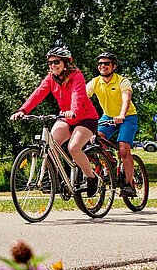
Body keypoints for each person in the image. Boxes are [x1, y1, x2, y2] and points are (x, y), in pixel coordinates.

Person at [10, 45, 101, 195]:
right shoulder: (50, 79)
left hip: (85, 118)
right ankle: (56, 180)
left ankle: (91, 178)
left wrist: (73, 111)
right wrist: (23, 110)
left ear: (66, 62)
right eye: (50, 63)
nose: (53, 65)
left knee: (73, 148)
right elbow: (38, 94)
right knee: (51, 145)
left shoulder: (76, 76)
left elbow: (76, 95)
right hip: (65, 117)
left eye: (57, 62)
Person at [86, 52, 138, 196]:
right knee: (96, 138)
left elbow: (126, 99)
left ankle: (129, 185)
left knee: (123, 149)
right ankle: (110, 162)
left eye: (106, 64)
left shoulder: (122, 81)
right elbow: (82, 97)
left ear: (113, 66)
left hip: (127, 116)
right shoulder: (95, 82)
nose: (103, 66)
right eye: (100, 64)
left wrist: (121, 115)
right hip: (108, 116)